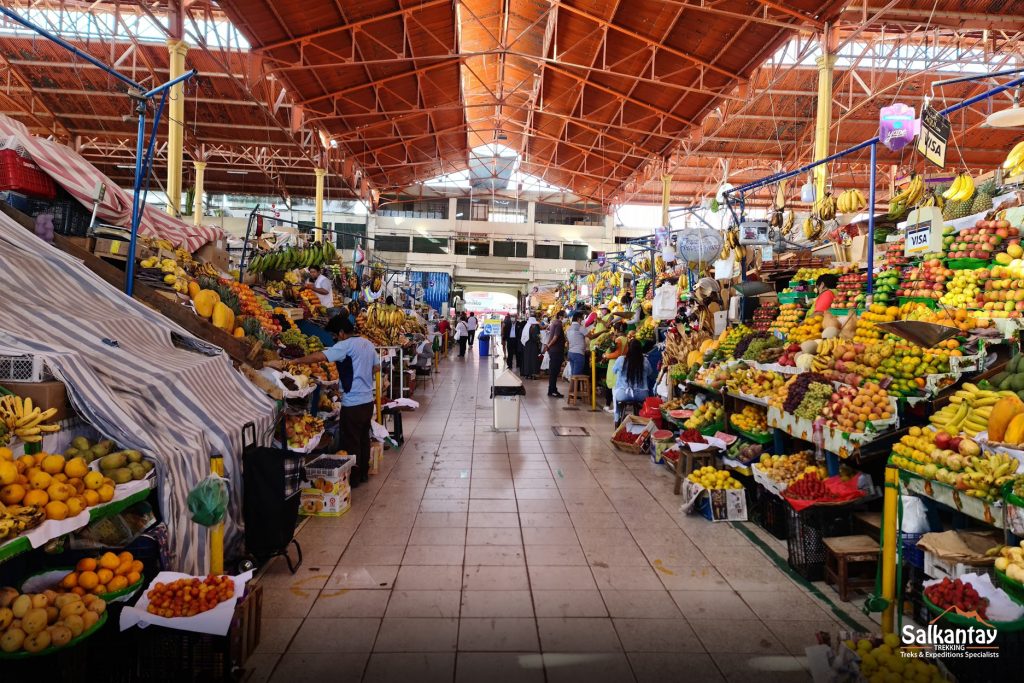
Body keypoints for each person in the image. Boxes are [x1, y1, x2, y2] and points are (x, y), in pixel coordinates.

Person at [268, 315, 379, 486]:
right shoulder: (368, 344)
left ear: (341, 333)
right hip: (367, 401)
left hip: (353, 403)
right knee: (364, 437)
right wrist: (360, 375)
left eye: (335, 336)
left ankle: (354, 479)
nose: (334, 339)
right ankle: (363, 473)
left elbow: (319, 357)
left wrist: (295, 361)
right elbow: (376, 367)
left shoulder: (345, 346)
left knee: (351, 441)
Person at [612, 340, 653, 423]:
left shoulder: (621, 359)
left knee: (614, 390)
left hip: (623, 394)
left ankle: (617, 418)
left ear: (628, 348)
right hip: (642, 394)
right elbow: (650, 373)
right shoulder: (645, 360)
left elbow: (614, 371)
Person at [544, 310, 566, 398]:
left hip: (554, 351)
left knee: (554, 371)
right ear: (561, 316)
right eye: (565, 316)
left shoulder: (554, 323)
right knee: (554, 371)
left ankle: (552, 389)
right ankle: (552, 390)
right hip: (556, 351)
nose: (566, 318)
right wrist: (548, 345)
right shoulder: (559, 324)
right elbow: (555, 337)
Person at [566, 312, 589, 376]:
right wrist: (602, 332)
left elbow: (567, 342)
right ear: (579, 319)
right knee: (576, 375)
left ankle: (572, 386)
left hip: (570, 353)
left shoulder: (568, 328)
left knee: (573, 375)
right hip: (578, 353)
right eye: (582, 319)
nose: (582, 321)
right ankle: (574, 386)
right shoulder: (580, 327)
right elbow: (591, 336)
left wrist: (568, 353)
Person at [520, 315, 541, 379]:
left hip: (526, 346)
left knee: (527, 359)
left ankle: (527, 374)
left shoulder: (526, 326)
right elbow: (536, 337)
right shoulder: (534, 327)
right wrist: (539, 338)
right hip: (533, 345)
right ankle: (533, 374)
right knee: (533, 359)